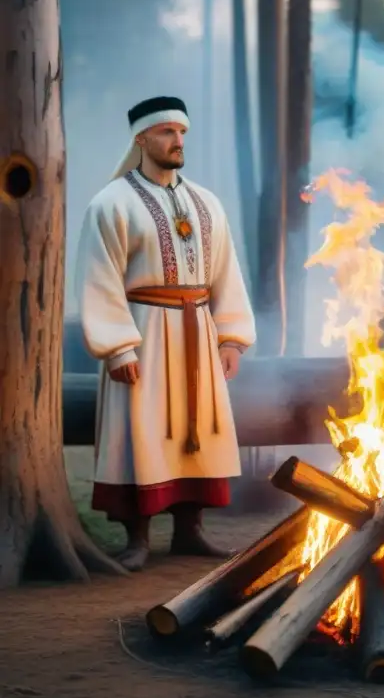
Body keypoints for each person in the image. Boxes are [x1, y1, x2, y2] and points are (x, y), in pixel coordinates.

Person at [75, 96, 256, 571]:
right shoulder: (111, 203)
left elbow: (226, 274)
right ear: (140, 138)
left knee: (198, 431)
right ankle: (136, 538)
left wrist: (232, 336)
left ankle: (188, 531)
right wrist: (116, 347)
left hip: (198, 330)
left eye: (182, 133)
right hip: (144, 334)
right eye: (166, 132)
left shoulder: (207, 203)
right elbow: (99, 278)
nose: (177, 141)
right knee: (140, 430)